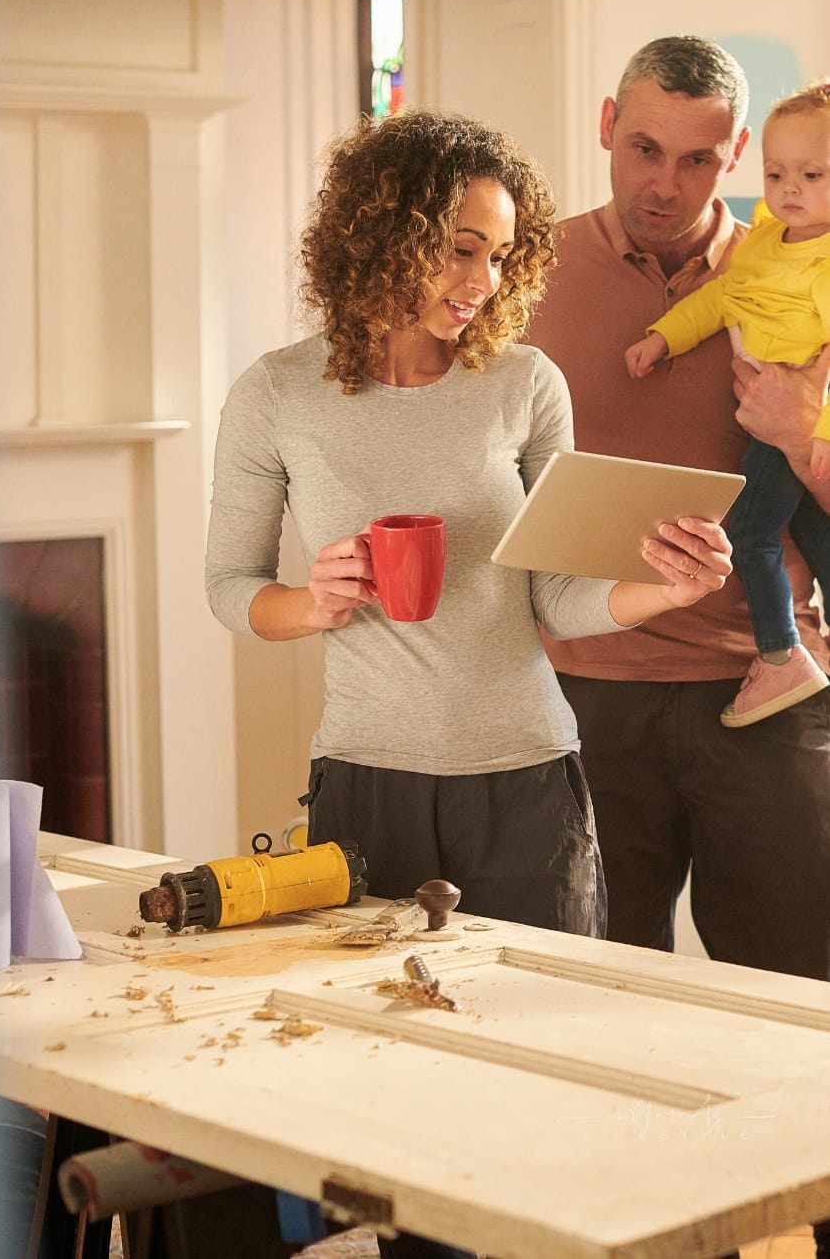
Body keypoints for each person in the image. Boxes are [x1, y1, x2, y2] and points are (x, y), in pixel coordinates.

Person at [205, 107, 732, 1259]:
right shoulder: (279, 394)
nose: (484, 281)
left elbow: (558, 602)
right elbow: (229, 585)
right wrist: (320, 600)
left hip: (527, 786)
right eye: (459, 247)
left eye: (500, 254)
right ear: (381, 232)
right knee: (391, 1095)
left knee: (543, 1095)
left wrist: (661, 590)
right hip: (367, 792)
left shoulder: (525, 385)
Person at [527, 36, 830, 1259]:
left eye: (701, 157)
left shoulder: (795, 263)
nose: (668, 180)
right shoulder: (527, 271)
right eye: (646, 146)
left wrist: (802, 442)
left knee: (800, 1009)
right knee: (600, 1011)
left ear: (739, 156)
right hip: (584, 694)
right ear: (607, 123)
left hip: (772, 694)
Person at [624, 81, 830, 728]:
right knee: (816, 535)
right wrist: (663, 337)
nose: (789, 187)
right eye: (776, 173)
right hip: (772, 415)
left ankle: (779, 656)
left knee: (749, 532)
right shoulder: (765, 242)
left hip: (791, 418)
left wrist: (812, 430)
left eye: (812, 173)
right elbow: (720, 302)